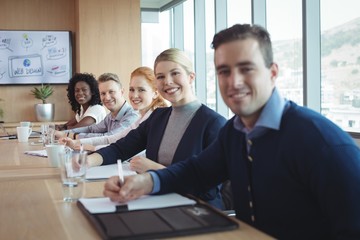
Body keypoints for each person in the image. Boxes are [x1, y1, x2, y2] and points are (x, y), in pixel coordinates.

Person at [103, 24, 360, 239]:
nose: (234, 81)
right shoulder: (236, 132)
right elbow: (197, 171)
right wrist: (144, 182)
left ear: (272, 73)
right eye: (224, 71)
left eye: (246, 68)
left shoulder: (321, 142)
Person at [88, 48, 227, 209]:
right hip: (157, 202)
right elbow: (121, 148)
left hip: (197, 210)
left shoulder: (214, 123)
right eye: (160, 76)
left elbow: (207, 190)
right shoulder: (158, 117)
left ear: (191, 77)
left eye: (175, 73)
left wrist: (154, 171)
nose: (167, 81)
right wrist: (86, 161)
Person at [60, 66, 168, 151]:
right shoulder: (138, 117)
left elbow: (115, 141)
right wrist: (77, 142)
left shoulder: (135, 116)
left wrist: (72, 136)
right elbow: (112, 139)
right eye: (132, 89)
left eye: (141, 90)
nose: (135, 95)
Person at [55, 73, 139, 139]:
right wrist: (65, 133)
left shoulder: (132, 116)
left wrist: (72, 135)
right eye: (103, 93)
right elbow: (91, 129)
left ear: (122, 91)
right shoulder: (110, 117)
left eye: (111, 92)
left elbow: (109, 137)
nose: (107, 97)